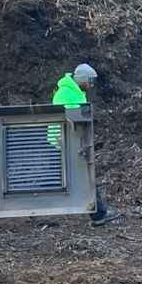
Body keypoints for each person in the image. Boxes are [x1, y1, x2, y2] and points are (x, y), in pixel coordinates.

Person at [51, 63, 113, 224]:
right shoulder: (65, 93)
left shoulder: (75, 91)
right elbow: (65, 116)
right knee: (84, 175)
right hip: (62, 141)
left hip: (71, 139)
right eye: (90, 81)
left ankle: (98, 213)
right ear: (82, 79)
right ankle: (98, 215)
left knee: (83, 175)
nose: (91, 85)